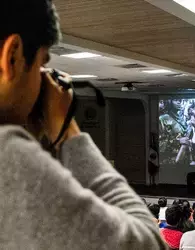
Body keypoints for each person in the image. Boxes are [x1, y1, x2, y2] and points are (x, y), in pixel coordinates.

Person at [0, 1, 166, 249]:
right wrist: (68, 131)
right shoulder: (8, 153)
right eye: (41, 65)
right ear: (12, 56)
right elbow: (148, 244)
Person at [159, 99, 190, 165]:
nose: (179, 102)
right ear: (169, 102)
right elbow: (159, 144)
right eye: (176, 100)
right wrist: (177, 141)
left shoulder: (182, 120)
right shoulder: (163, 119)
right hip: (170, 161)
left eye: (180, 100)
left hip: (184, 160)